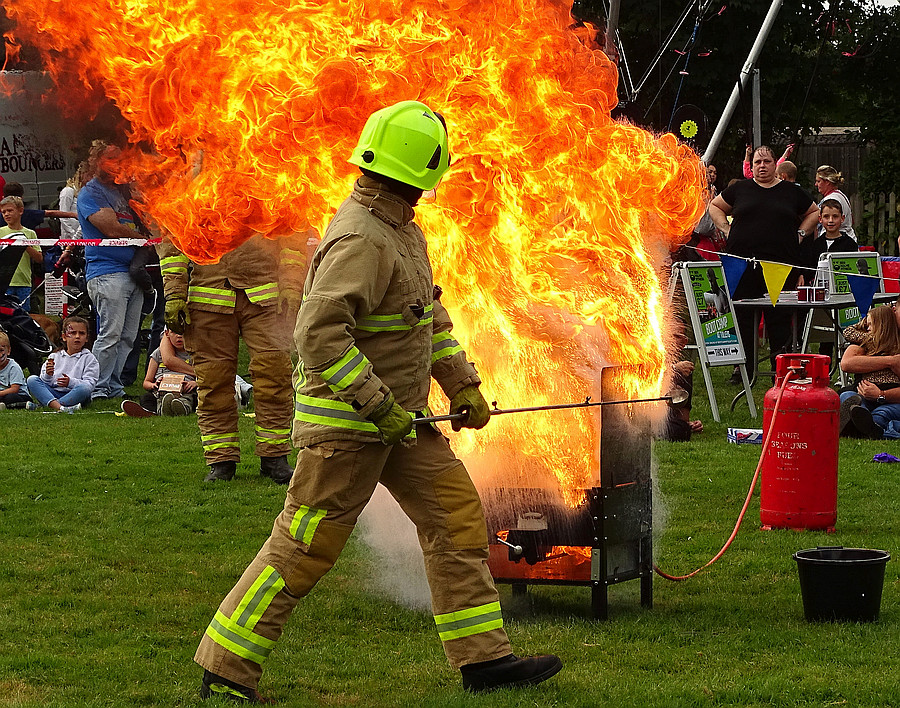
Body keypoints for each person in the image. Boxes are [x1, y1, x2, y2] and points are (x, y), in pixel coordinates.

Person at [193, 100, 561, 702]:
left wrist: (461, 382)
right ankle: (226, 663)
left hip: (400, 425)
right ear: (421, 170)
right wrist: (376, 403)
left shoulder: (400, 229)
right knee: (306, 544)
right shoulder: (362, 238)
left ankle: (483, 661)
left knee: (456, 518)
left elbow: (427, 317)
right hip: (348, 429)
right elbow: (318, 333)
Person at [157, 218, 308, 483]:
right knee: (213, 382)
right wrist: (174, 294)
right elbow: (174, 246)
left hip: (266, 299)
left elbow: (293, 240)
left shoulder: (273, 180)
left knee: (275, 377)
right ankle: (221, 460)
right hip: (208, 299)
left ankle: (275, 457)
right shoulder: (191, 184)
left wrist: (292, 286)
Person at [708, 145, 819, 377]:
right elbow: (715, 206)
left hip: (780, 266)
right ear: (753, 165)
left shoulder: (790, 191)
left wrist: (800, 234)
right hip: (742, 265)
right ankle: (744, 370)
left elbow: (813, 212)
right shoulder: (740, 189)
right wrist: (726, 229)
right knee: (743, 319)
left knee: (779, 321)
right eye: (757, 162)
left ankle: (781, 373)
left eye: (767, 161)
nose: (762, 166)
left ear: (774, 164)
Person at [77, 141, 145, 401]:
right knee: (110, 334)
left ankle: (113, 385)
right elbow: (110, 228)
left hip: (133, 272)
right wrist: (139, 237)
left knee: (128, 336)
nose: (119, 164)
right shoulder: (90, 193)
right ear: (97, 162)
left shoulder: (123, 191)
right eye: (113, 159)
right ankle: (97, 386)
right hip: (107, 272)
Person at [838, 304, 900, 439]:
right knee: (848, 397)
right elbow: (846, 362)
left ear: (882, 325)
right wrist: (890, 362)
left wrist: (881, 394)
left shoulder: (897, 345)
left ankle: (866, 427)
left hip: (891, 398)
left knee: (883, 412)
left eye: (871, 325)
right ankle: (861, 423)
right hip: (863, 393)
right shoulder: (867, 341)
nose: (868, 328)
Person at [25, 315, 98, 413]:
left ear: (87, 338)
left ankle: (50, 405)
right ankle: (61, 407)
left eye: (81, 333)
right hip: (54, 392)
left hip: (75, 394)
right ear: (64, 337)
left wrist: (70, 382)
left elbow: (90, 384)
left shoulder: (89, 358)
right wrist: (48, 375)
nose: (77, 336)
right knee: (32, 379)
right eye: (72, 333)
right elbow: (45, 382)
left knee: (84, 388)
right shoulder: (54, 356)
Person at [133, 328, 198, 416]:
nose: (178, 336)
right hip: (160, 391)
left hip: (185, 391)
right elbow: (146, 382)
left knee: (194, 396)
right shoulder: (158, 353)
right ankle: (159, 410)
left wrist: (195, 383)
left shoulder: (195, 355)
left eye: (182, 333)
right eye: (174, 332)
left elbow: (205, 377)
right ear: (167, 334)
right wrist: (153, 385)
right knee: (147, 398)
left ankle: (182, 408)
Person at [0, 196, 41, 310]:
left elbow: (39, 258)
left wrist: (24, 245)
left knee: (24, 315)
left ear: (20, 211)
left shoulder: (30, 233)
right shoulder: (0, 232)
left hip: (24, 282)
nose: (6, 214)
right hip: (4, 283)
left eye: (10, 210)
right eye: (3, 212)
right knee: (5, 315)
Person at [814, 165, 856, 241]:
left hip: (836, 243)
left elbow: (815, 220)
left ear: (827, 182)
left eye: (818, 181)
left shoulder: (830, 200)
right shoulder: (841, 195)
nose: (816, 184)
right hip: (847, 238)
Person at [0, 331, 31, 409]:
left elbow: (15, 389)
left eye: (1, 350)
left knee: (10, 398)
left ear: (9, 351)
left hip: (18, 395)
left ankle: (25, 405)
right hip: (2, 395)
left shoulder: (13, 367)